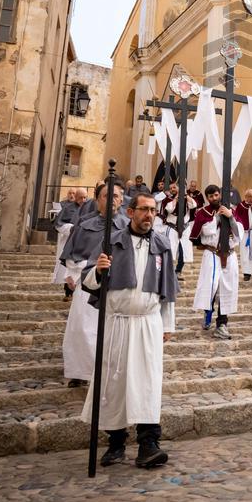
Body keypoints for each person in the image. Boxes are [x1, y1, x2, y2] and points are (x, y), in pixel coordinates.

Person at [81, 192, 178, 468]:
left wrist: (167, 324)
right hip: (118, 322)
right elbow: (88, 280)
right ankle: (116, 443)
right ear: (131, 211)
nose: (149, 215)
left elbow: (167, 290)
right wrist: (99, 271)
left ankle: (149, 444)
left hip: (148, 323)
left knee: (148, 382)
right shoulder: (111, 242)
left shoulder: (161, 245)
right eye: (144, 209)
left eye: (153, 211)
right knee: (115, 382)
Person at [60, 182, 128, 387]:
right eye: (107, 195)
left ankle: (108, 374)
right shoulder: (84, 224)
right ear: (98, 199)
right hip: (87, 282)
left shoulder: (127, 226)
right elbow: (72, 254)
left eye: (116, 196)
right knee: (82, 328)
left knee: (112, 330)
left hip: (117, 285)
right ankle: (81, 371)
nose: (112, 199)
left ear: (122, 200)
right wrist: (72, 273)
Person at [190, 186, 243, 339]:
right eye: (210, 196)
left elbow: (240, 232)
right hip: (212, 253)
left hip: (229, 254)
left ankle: (222, 324)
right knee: (211, 286)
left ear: (220, 194)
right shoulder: (203, 213)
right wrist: (218, 218)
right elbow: (205, 231)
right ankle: (208, 312)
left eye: (216, 195)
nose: (214, 198)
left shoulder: (232, 210)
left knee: (227, 288)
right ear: (207, 198)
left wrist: (230, 217)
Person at [52, 187, 86, 299]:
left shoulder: (89, 209)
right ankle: (68, 292)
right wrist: (71, 228)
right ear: (76, 197)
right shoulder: (67, 208)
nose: (83, 200)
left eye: (85, 197)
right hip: (69, 242)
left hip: (83, 243)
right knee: (68, 266)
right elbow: (59, 225)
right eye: (81, 197)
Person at [161, 182, 197, 280]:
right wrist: (176, 199)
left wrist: (185, 196)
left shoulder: (187, 198)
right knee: (170, 250)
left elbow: (193, 205)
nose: (172, 189)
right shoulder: (167, 199)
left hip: (184, 228)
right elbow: (169, 209)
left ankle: (178, 271)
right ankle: (170, 272)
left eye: (174, 187)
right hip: (172, 228)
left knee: (183, 251)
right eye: (171, 188)